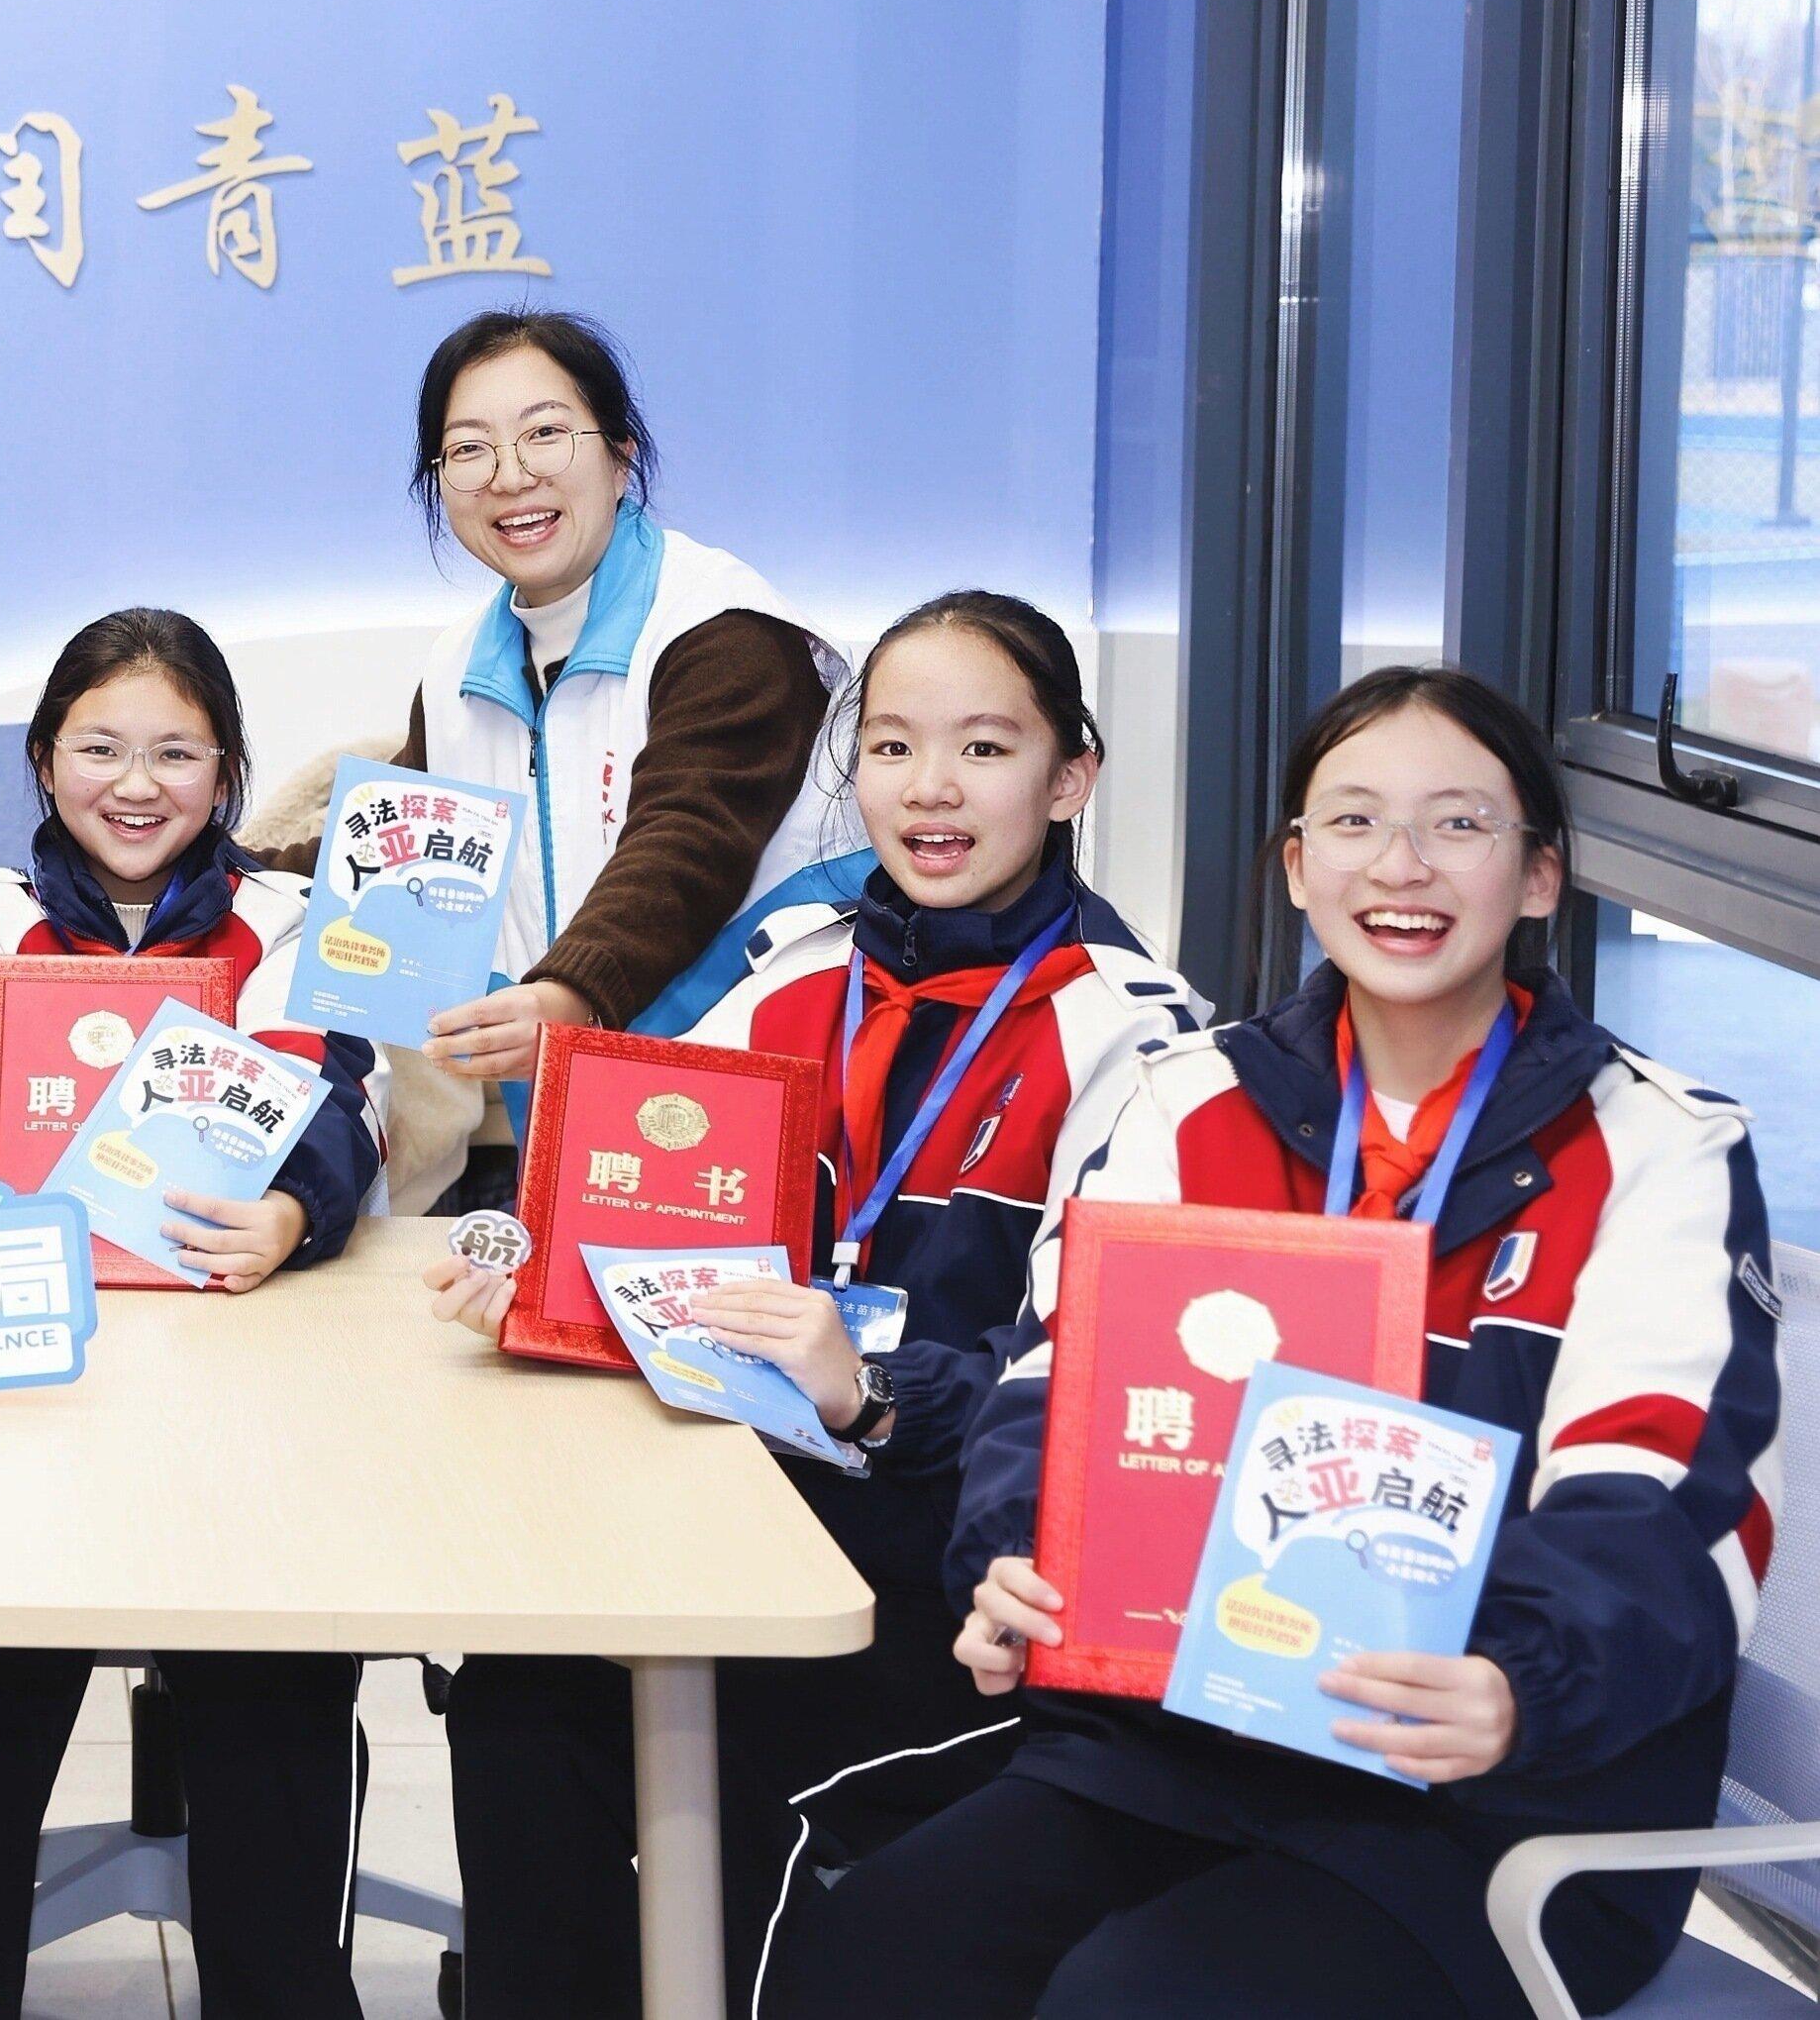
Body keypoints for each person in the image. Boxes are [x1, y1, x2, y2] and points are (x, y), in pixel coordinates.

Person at [773, 666, 1781, 2020]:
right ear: (1299, 866)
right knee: (876, 1942)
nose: (1400, 865)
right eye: (1352, 820)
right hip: (1182, 1742)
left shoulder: (1654, 1143)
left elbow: (1663, 1498)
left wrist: (1514, 1678)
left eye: (1457, 823)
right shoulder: (1192, 1101)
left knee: (1136, 1996)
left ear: (1539, 872)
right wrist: (1015, 1553)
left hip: (1485, 1793)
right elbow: (1057, 1378)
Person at [428, 591, 1205, 2014]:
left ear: (1069, 778)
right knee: (518, 1699)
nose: (928, 788)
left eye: (983, 747)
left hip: (959, 1594)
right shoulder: (795, 971)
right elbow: (640, 1209)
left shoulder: (1142, 1047)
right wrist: (540, 1278)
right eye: (892, 745)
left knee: (739, 1768)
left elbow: (1118, 1402)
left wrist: (875, 1388)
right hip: (756, 1524)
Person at [0, 608, 383, 2019]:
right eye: (99, 747)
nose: (136, 783)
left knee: (270, 1706)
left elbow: (332, 1096)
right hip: (24, 1386)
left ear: (225, 772)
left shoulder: (291, 917)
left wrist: (291, 1212)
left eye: (175, 751)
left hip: (242, 1395)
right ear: (44, 760)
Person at [402, 310, 859, 1189]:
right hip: (575, 1116)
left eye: (545, 433)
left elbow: (686, 842)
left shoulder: (725, 629)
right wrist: (212, 872)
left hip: (765, 1100)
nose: (511, 476)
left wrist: (568, 996)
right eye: (469, 449)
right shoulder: (454, 669)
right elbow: (392, 850)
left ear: (620, 455)